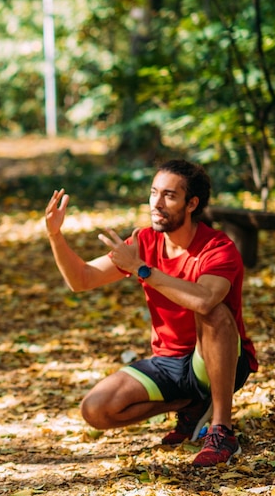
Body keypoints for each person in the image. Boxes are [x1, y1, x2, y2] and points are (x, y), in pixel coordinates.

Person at [44, 159, 258, 467]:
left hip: (216, 362)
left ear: (191, 203)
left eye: (169, 195)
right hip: (168, 363)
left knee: (215, 314)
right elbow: (82, 279)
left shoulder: (217, 247)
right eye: (153, 193)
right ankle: (191, 404)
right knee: (96, 409)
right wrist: (55, 236)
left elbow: (205, 300)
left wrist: (142, 270)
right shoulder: (143, 241)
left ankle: (222, 430)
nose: (156, 203)